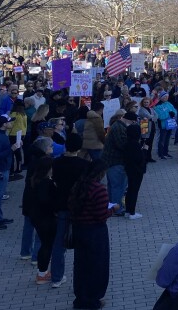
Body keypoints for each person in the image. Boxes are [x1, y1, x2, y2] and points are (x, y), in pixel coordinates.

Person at [69, 160, 116, 310]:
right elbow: (101, 215)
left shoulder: (79, 185)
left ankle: (81, 298)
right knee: (97, 267)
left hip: (79, 230)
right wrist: (113, 209)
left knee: (81, 266)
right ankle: (92, 300)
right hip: (95, 233)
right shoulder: (99, 190)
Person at [50, 132, 88, 289]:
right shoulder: (83, 165)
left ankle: (56, 277)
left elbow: (54, 181)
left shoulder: (57, 163)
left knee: (59, 242)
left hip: (61, 205)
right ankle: (83, 278)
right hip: (79, 207)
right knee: (83, 243)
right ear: (79, 147)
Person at [24, 156, 57, 285]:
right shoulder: (46, 183)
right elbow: (47, 201)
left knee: (45, 244)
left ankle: (41, 272)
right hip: (46, 218)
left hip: (36, 218)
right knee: (47, 245)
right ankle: (42, 273)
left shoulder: (34, 181)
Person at [102, 111, 133, 217]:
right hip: (116, 161)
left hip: (111, 161)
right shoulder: (119, 128)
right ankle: (117, 208)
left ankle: (111, 206)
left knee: (112, 185)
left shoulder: (117, 125)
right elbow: (122, 145)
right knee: (118, 186)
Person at [122, 114, 147, 220]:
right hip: (136, 170)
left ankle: (128, 211)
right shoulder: (135, 145)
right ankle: (132, 212)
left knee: (130, 190)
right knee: (134, 191)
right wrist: (144, 150)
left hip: (129, 169)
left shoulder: (127, 143)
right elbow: (139, 158)